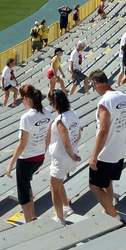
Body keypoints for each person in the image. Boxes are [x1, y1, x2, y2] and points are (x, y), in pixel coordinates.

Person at [88, 70, 126, 220]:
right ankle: (108, 210)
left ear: (96, 83)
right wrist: (121, 142)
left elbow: (103, 130)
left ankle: (114, 216)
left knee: (94, 186)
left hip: (106, 153)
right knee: (108, 182)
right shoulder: (123, 97)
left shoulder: (105, 101)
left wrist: (94, 156)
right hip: (119, 150)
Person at [6, 85, 52, 223]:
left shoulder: (26, 118)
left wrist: (10, 163)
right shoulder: (47, 113)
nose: (21, 102)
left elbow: (22, 144)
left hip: (26, 160)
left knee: (23, 194)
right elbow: (48, 138)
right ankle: (32, 216)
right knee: (27, 185)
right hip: (40, 157)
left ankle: (28, 223)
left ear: (25, 98)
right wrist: (41, 152)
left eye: (21, 99)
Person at [48, 90, 81, 224]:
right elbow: (78, 136)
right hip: (71, 155)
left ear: (55, 103)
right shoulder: (73, 114)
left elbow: (66, 141)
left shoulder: (60, 120)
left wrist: (71, 154)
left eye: (51, 103)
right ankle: (66, 207)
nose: (51, 105)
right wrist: (73, 153)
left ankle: (60, 218)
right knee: (59, 182)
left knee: (53, 189)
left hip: (62, 158)